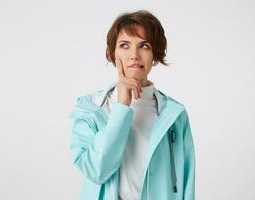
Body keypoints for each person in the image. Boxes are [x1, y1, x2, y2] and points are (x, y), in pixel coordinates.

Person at [69, 10, 196, 200]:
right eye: (124, 45)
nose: (134, 55)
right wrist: (121, 107)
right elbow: (96, 170)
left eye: (144, 46)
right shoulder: (90, 109)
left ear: (155, 54)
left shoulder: (175, 114)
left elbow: (187, 181)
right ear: (113, 52)